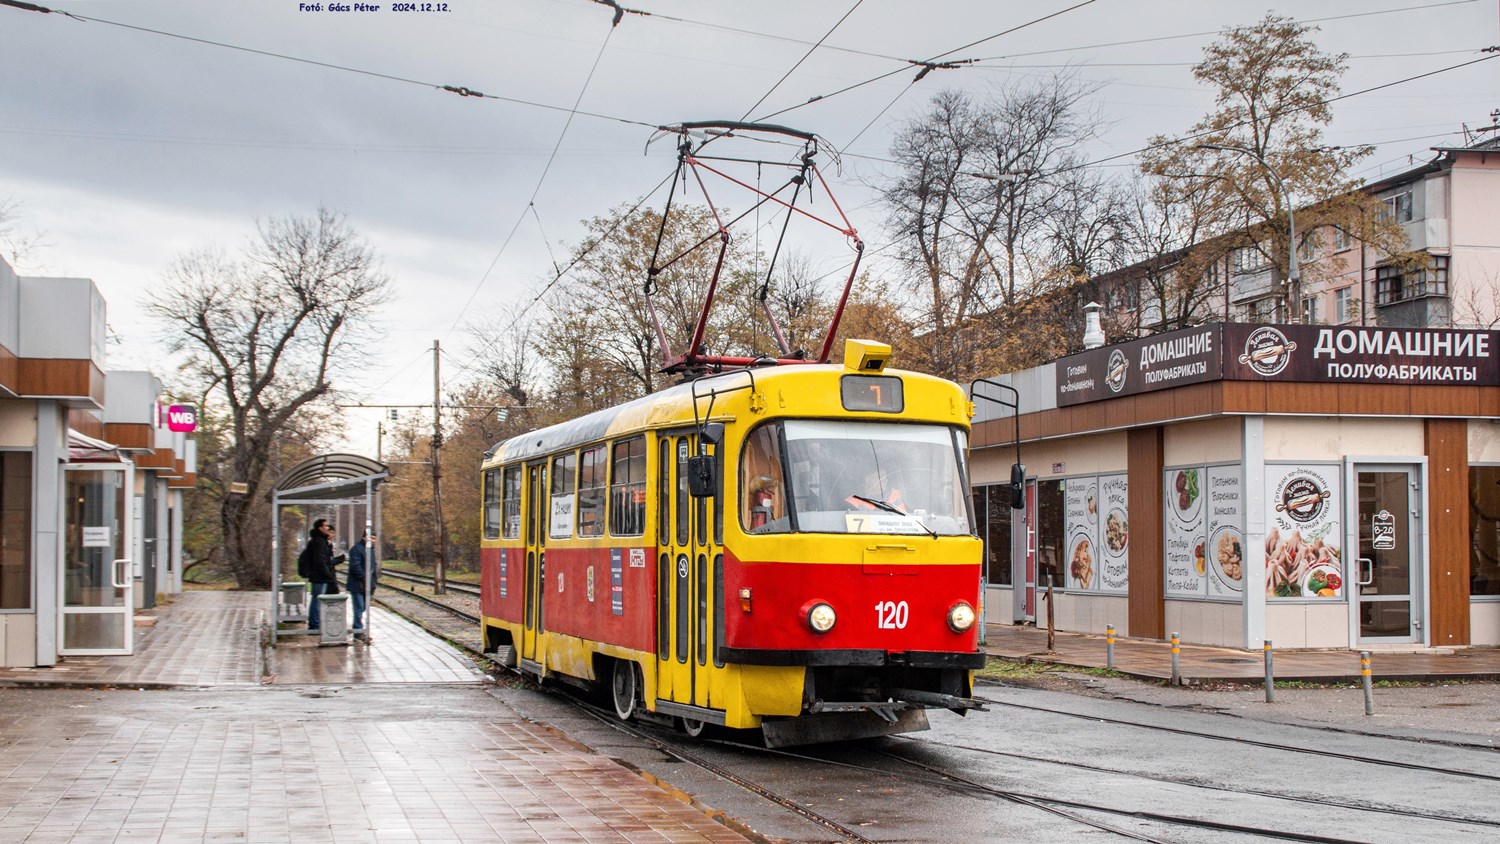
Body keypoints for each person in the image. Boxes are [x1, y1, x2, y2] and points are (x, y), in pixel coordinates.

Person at [299, 518, 342, 630]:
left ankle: (315, 623)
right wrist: (328, 575)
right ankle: (315, 625)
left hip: (318, 576)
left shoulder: (318, 541)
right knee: (317, 601)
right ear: (320, 528)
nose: (328, 528)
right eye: (326, 526)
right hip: (320, 577)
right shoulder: (319, 542)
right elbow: (321, 561)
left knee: (316, 600)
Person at [347, 531, 377, 635]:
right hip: (357, 584)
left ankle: (358, 627)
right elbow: (355, 566)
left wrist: (373, 581)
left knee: (364, 606)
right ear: (364, 537)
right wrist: (364, 577)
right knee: (359, 606)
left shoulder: (370, 550)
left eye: (374, 538)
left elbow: (373, 567)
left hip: (367, 584)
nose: (373, 541)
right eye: (371, 538)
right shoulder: (356, 549)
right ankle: (358, 629)